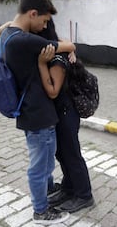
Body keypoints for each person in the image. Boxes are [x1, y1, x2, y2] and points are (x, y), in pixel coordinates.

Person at [0, 0, 76, 225]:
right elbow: (68, 46)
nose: (44, 26)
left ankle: (48, 191)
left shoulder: (7, 34)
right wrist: (68, 47)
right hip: (37, 112)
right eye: (44, 20)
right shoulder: (27, 41)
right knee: (40, 166)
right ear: (32, 13)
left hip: (31, 111)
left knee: (45, 161)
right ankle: (41, 211)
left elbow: (2, 27)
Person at [37, 19, 95, 213]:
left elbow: (53, 91)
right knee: (62, 152)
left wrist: (41, 64)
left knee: (71, 153)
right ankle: (69, 188)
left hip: (66, 111)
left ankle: (84, 195)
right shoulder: (54, 45)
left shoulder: (55, 53)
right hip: (59, 111)